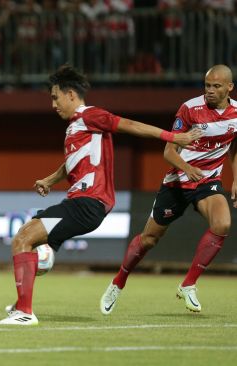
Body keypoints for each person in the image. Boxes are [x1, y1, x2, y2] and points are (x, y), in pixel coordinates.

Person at [0, 65, 203, 326]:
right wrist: (50, 179)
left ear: (71, 94)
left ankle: (24, 311)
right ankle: (33, 277)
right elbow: (72, 162)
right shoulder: (76, 127)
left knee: (23, 238)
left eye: (55, 97)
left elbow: (128, 124)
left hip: (88, 203)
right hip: (79, 203)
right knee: (32, 243)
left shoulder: (90, 115)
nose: (53, 104)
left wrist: (174, 137)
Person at [100, 64, 236, 315]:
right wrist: (187, 167)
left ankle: (189, 284)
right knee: (149, 239)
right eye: (207, 86)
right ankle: (118, 282)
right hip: (177, 182)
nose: (210, 91)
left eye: (216, 86)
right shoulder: (190, 109)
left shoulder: (236, 114)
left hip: (207, 182)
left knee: (223, 224)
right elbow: (168, 151)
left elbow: (234, 145)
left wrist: (235, 179)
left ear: (229, 87)